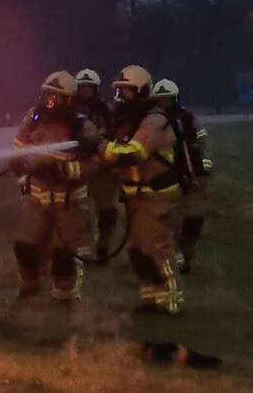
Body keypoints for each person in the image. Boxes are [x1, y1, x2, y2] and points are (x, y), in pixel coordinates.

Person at [10, 71, 101, 301]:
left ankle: (65, 297)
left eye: (57, 96)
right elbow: (19, 145)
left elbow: (96, 162)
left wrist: (67, 171)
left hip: (68, 201)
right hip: (37, 198)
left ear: (69, 99)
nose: (51, 101)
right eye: (48, 95)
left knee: (64, 255)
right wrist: (20, 166)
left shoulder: (82, 125)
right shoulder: (34, 117)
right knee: (26, 248)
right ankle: (29, 288)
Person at [103, 65, 183, 313]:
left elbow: (133, 153)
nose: (119, 98)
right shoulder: (131, 121)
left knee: (157, 248)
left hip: (155, 195)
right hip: (137, 195)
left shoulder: (154, 120)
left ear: (142, 92)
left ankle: (169, 300)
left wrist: (100, 147)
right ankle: (149, 298)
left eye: (125, 92)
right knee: (138, 251)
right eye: (118, 92)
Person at [150, 79, 213, 273]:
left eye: (167, 100)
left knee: (193, 219)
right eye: (159, 100)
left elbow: (203, 140)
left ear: (175, 99)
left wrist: (203, 165)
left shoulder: (187, 118)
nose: (164, 104)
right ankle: (174, 258)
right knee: (169, 220)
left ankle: (186, 250)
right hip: (167, 176)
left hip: (192, 175)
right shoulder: (152, 122)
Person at [74, 69, 118, 264]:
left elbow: (114, 134)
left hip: (104, 167)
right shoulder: (70, 110)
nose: (84, 91)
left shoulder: (106, 110)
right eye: (81, 87)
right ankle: (82, 248)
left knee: (107, 210)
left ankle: (103, 245)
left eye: (88, 87)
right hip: (80, 166)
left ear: (95, 89)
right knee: (79, 210)